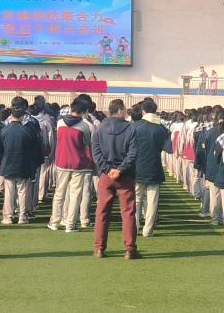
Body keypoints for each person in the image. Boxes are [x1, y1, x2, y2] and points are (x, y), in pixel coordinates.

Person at [91, 99, 139, 259]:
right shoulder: (130, 128)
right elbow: (133, 153)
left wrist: (107, 169)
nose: (126, 112)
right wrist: (120, 169)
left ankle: (99, 248)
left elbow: (96, 152)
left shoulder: (99, 128)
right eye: (124, 109)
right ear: (119, 110)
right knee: (128, 212)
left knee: (102, 212)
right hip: (125, 176)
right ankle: (129, 248)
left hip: (106, 175)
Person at [48, 99, 94, 233]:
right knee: (75, 194)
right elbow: (88, 144)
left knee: (59, 193)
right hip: (79, 163)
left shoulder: (60, 123)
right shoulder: (85, 126)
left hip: (62, 161)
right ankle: (70, 224)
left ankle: (54, 221)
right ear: (84, 111)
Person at [131, 101, 170, 237]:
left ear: (143, 111)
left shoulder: (135, 126)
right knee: (152, 200)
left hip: (137, 167)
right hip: (154, 166)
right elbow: (167, 148)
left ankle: (134, 228)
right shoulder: (162, 128)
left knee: (136, 199)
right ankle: (148, 230)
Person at [0, 106, 37, 224]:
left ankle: (8, 216)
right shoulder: (27, 131)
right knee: (23, 191)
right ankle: (22, 216)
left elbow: (2, 147)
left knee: (9, 192)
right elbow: (32, 147)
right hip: (23, 164)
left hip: (8, 163)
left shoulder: (4, 130)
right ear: (22, 116)